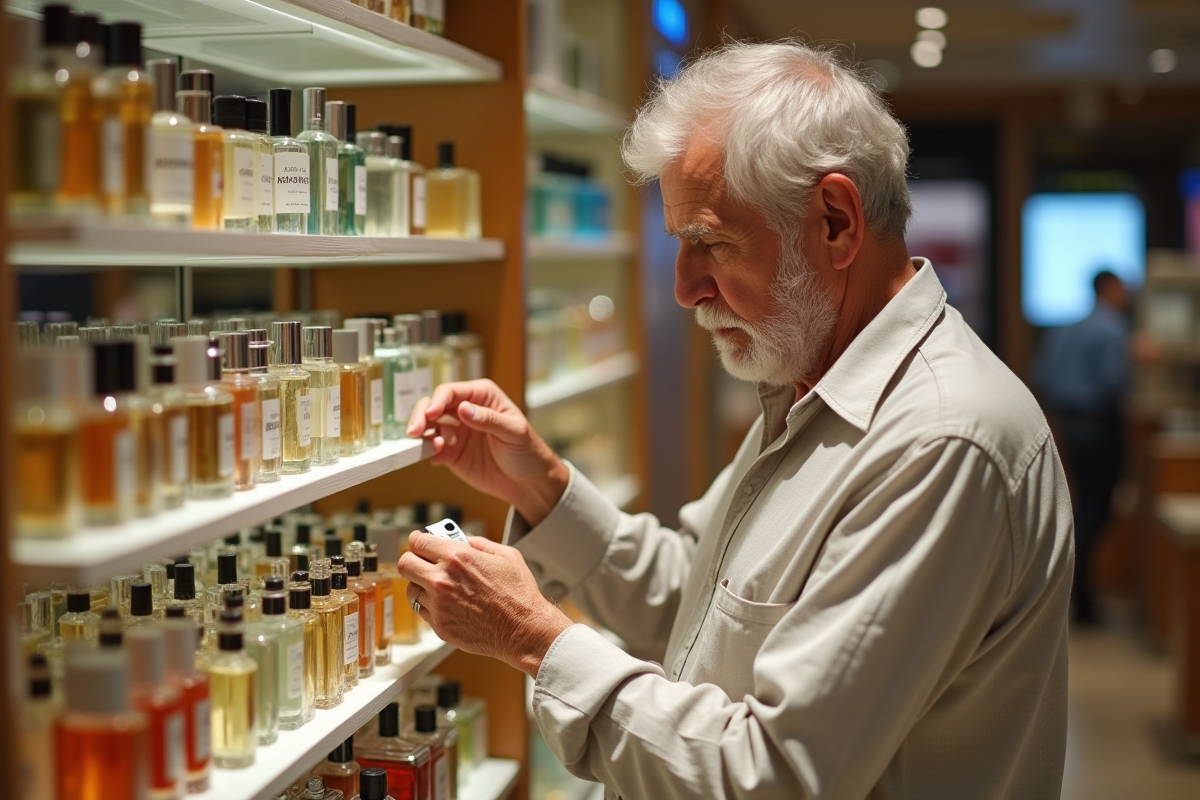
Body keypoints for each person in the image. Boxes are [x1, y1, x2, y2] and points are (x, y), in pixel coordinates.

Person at [398, 41, 1073, 799]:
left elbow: (774, 777)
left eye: (710, 242)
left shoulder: (942, 442)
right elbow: (699, 601)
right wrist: (544, 486)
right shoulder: (814, 379)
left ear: (837, 223)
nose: (685, 288)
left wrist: (536, 638)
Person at [1034, 269, 1131, 623]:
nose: (1127, 295)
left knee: (1081, 506)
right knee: (1096, 509)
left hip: (1067, 424)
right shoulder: (1113, 328)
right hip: (1099, 425)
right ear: (1108, 289)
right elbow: (1112, 382)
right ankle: (1083, 598)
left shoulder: (1064, 330)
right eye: (1122, 288)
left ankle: (1076, 594)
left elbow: (1042, 376)